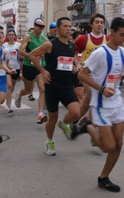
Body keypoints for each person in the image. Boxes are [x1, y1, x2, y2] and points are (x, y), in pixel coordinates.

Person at [74, 17, 124, 192]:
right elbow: (82, 75)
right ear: (111, 32)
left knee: (119, 143)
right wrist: (101, 88)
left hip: (117, 103)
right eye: (121, 35)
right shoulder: (100, 53)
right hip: (100, 105)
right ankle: (87, 126)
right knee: (108, 146)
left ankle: (103, 178)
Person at [27, 17, 80, 155]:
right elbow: (32, 55)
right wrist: (43, 71)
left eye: (70, 26)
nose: (69, 29)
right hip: (52, 86)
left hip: (67, 86)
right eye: (65, 26)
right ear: (58, 29)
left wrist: (75, 67)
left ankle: (64, 124)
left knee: (76, 112)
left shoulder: (71, 45)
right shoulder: (50, 45)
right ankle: (49, 141)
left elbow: (69, 61)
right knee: (52, 118)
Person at [74, 13, 110, 123]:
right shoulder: (83, 39)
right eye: (97, 22)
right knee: (92, 96)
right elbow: (74, 53)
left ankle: (76, 120)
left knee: (87, 101)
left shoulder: (108, 39)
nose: (99, 25)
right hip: (88, 74)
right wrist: (78, 64)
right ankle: (91, 124)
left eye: (102, 22)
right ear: (91, 24)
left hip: (103, 74)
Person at [14, 18, 48, 123]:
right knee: (28, 90)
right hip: (28, 66)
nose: (41, 29)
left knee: (42, 89)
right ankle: (19, 95)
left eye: (42, 27)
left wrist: (43, 54)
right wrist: (31, 55)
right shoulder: (28, 36)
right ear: (34, 26)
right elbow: (20, 52)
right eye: (39, 27)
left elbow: (49, 50)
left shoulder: (43, 38)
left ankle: (40, 114)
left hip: (39, 66)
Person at [3, 28, 21, 113]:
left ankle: (8, 97)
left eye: (12, 35)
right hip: (7, 68)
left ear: (15, 36)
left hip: (16, 68)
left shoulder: (18, 45)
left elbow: (21, 56)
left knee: (12, 87)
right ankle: (10, 106)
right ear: (7, 36)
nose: (11, 36)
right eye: (9, 35)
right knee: (9, 86)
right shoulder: (4, 45)